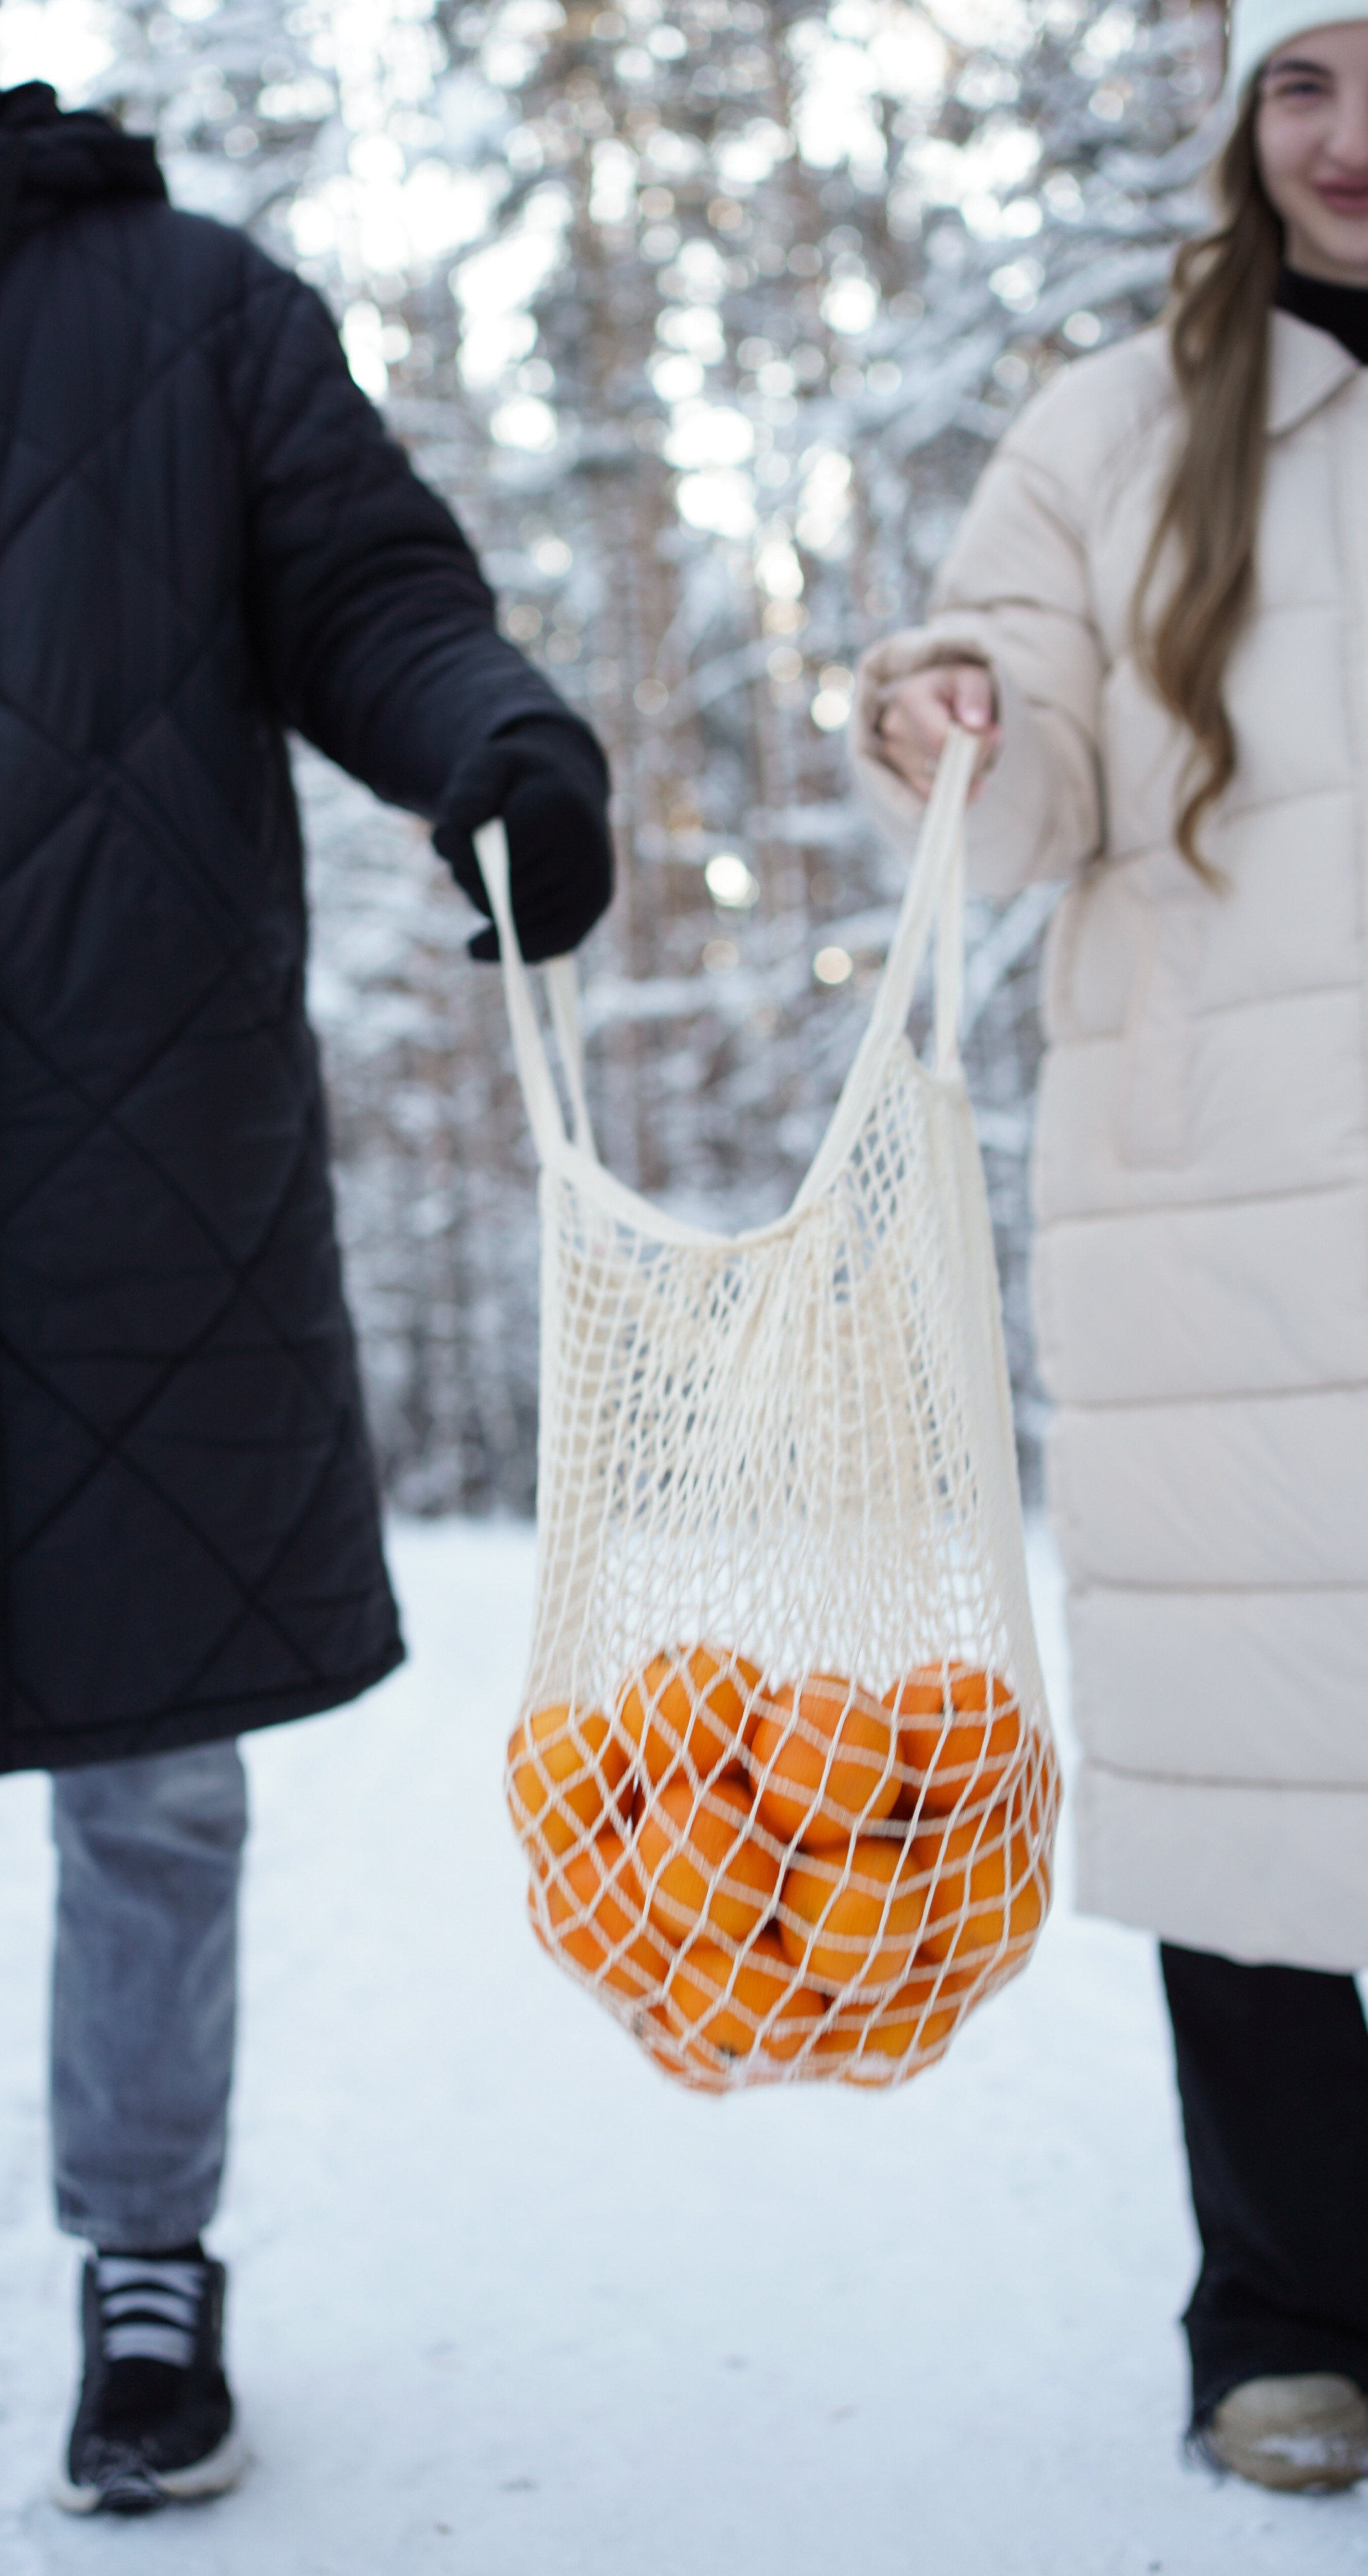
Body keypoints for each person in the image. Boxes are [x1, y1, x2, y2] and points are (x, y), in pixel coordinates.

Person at [0, 0, 613, 2519]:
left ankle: (144, 2263)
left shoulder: (187, 307)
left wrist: (495, 747)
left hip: (117, 1143)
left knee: (152, 1769)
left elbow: (369, 585)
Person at [857, 0, 1368, 2500]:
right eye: (1298, 79)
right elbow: (1035, 763)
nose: (1346, 139)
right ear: (1233, 110)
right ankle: (1280, 2314)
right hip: (1221, 1202)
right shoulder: (1104, 427)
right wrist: (957, 716)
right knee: (1255, 1766)